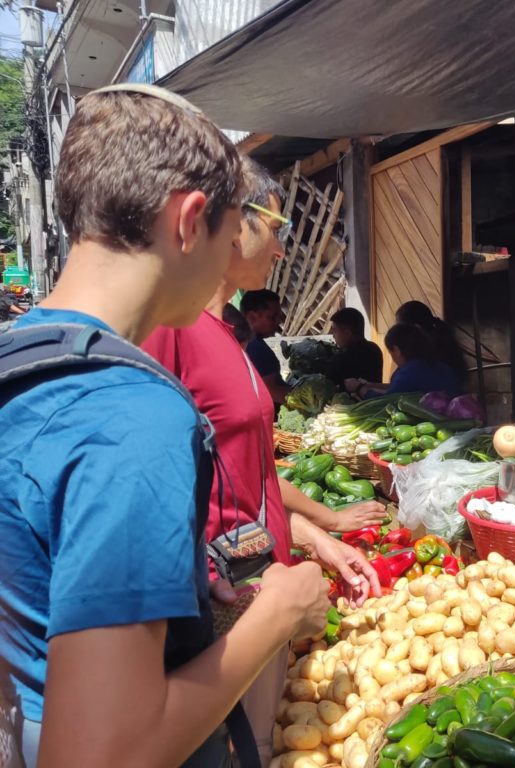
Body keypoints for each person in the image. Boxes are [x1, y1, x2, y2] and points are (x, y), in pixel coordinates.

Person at [0, 85, 330, 768]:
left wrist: (177, 582)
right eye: (233, 225)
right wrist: (280, 612)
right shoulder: (132, 416)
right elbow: (103, 756)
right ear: (189, 221)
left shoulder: (21, 357)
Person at [143, 157, 385, 764]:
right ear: (232, 222)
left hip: (264, 583)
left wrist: (319, 538)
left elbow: (252, 475)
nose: (281, 249)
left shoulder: (228, 334)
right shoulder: (171, 328)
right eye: (277, 228)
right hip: (229, 600)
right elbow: (154, 481)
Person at [346, 323, 461, 399]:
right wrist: (372, 385)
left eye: (390, 353)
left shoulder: (409, 372)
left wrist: (359, 388)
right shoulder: (439, 365)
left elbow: (387, 402)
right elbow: (399, 388)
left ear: (396, 350)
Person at [395, 300, 467, 384]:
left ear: (416, 328)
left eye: (401, 329)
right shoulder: (443, 344)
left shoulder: (426, 355)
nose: (399, 334)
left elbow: (403, 387)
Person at [240, 289, 290, 405]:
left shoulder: (242, 342)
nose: (278, 322)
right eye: (272, 317)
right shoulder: (257, 349)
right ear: (252, 317)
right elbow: (272, 391)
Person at [321, 307, 383, 386]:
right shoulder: (374, 349)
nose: (333, 335)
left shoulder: (340, 360)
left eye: (335, 330)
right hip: (375, 396)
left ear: (347, 333)